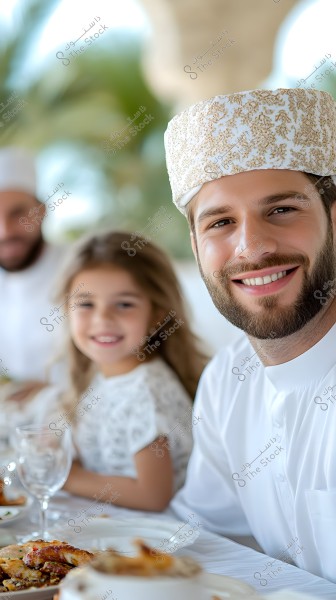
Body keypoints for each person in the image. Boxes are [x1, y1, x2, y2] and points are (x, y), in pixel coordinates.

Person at [164, 88, 336, 583]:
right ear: (196, 246)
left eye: (281, 210)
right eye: (221, 222)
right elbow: (204, 538)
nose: (252, 247)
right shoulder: (228, 380)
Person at [39, 230, 207, 511]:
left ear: (155, 314)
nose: (103, 318)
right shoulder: (102, 378)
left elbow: (152, 496)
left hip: (153, 543)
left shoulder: (146, 390)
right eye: (86, 304)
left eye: (124, 304)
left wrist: (65, 476)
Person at [0, 147, 66, 403]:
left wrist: (53, 389)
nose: (5, 232)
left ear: (41, 211)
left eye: (17, 214)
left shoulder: (81, 270)